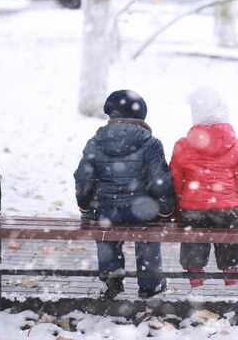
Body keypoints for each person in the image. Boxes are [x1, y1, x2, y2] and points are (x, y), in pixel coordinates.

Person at [74, 90, 175, 299]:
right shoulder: (151, 143)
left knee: (106, 236)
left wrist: (85, 206)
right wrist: (165, 211)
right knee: (148, 235)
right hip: (143, 209)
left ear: (111, 115)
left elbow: (83, 179)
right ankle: (150, 283)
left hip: (107, 208)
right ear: (142, 116)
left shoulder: (95, 142)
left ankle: (111, 280)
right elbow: (161, 182)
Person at [169, 87, 238, 288]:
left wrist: (178, 208)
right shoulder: (236, 145)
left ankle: (194, 270)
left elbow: (175, 180)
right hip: (227, 209)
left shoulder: (182, 145)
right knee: (229, 231)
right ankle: (232, 268)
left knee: (194, 232)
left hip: (193, 209)